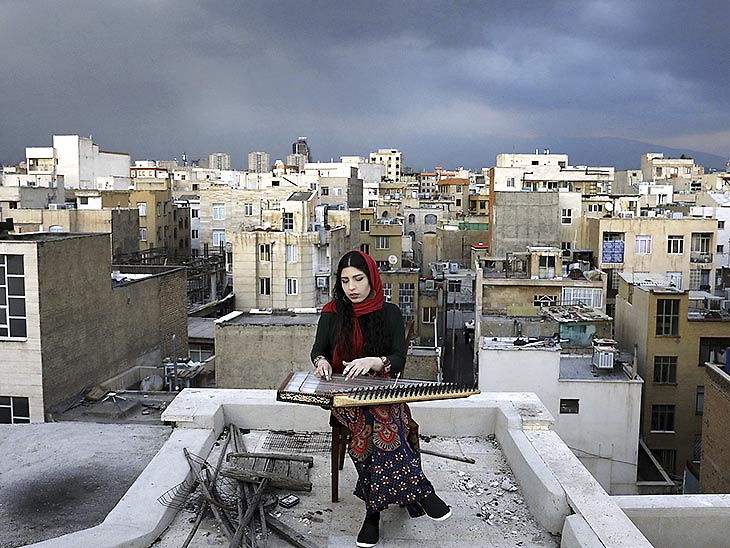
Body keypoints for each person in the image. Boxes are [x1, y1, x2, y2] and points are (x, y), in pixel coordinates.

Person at [311, 250, 451, 548]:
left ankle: (372, 512)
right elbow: (318, 350)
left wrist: (374, 361)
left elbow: (398, 359)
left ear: (372, 279)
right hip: (342, 394)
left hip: (381, 391)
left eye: (358, 279)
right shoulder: (332, 312)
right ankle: (421, 492)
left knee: (375, 426)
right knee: (381, 421)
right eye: (345, 281)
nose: (352, 287)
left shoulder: (389, 313)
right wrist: (321, 362)